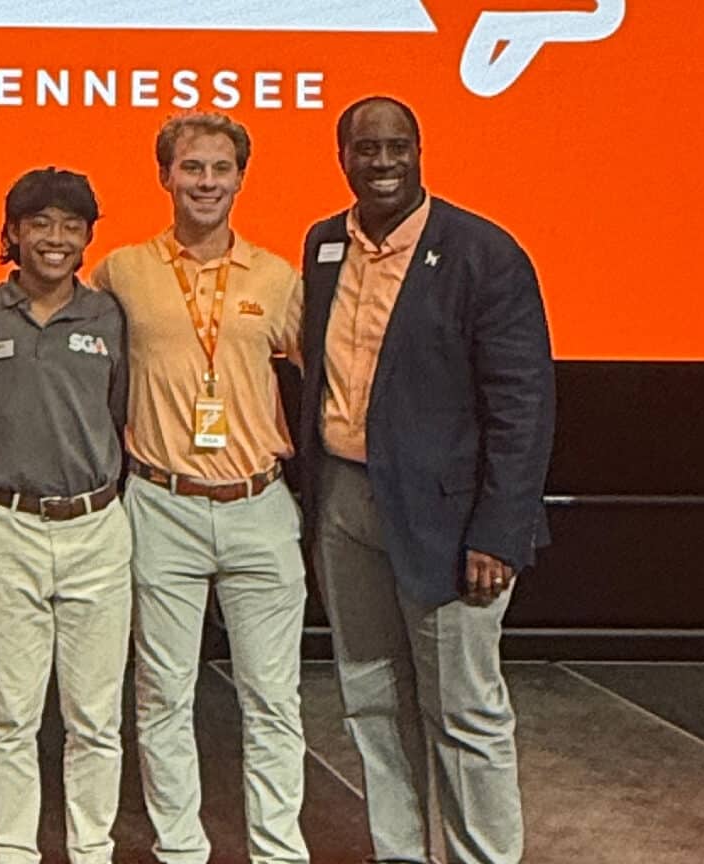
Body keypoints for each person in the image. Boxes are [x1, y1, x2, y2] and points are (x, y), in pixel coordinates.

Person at [291, 95, 556, 864]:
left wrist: (497, 533)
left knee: (464, 711)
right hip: (344, 502)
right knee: (372, 701)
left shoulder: (481, 252)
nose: (381, 163)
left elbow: (523, 406)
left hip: (451, 525)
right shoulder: (321, 246)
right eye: (365, 149)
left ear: (420, 150)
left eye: (396, 147)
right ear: (341, 156)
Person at [91, 112, 313, 864]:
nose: (207, 183)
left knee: (273, 700)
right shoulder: (122, 270)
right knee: (162, 698)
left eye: (221, 169)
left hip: (259, 505)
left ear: (241, 178)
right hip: (161, 504)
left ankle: (279, 850)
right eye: (192, 168)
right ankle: (180, 850)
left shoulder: (279, 278)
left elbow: (329, 373)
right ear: (165, 177)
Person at [0, 167, 132, 864]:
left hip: (96, 524)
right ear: (12, 233)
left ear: (89, 237)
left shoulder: (109, 315)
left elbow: (120, 412)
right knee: (12, 717)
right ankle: (14, 851)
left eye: (71, 226)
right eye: (40, 224)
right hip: (8, 524)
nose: (55, 239)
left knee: (95, 718)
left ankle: (92, 849)